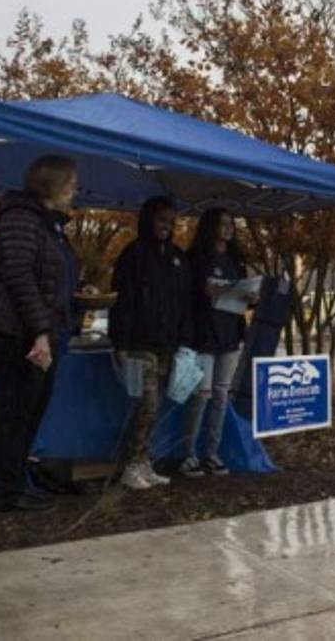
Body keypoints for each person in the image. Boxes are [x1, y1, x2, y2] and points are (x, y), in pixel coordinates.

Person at [0, 155, 80, 512]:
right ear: (53, 185)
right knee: (15, 412)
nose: (74, 192)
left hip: (38, 330)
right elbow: (20, 277)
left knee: (30, 411)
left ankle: (16, 482)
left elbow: (49, 281)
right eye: (70, 185)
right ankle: (5, 490)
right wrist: (40, 332)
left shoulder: (49, 224)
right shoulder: (21, 218)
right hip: (16, 331)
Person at [109, 196, 194, 490]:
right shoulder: (132, 255)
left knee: (155, 407)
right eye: (161, 220)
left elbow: (185, 302)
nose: (167, 227)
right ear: (148, 220)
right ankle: (131, 465)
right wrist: (119, 342)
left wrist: (184, 339)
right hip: (138, 343)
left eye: (171, 222)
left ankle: (143, 461)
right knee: (145, 403)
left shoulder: (178, 258)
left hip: (168, 345)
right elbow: (121, 302)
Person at [182, 208, 258, 477]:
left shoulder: (236, 259)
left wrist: (251, 297)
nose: (228, 229)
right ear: (209, 227)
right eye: (222, 224)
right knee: (201, 395)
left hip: (230, 333)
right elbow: (186, 296)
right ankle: (188, 453)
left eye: (231, 224)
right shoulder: (196, 258)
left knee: (221, 395)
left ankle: (211, 453)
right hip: (204, 334)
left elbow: (248, 292)